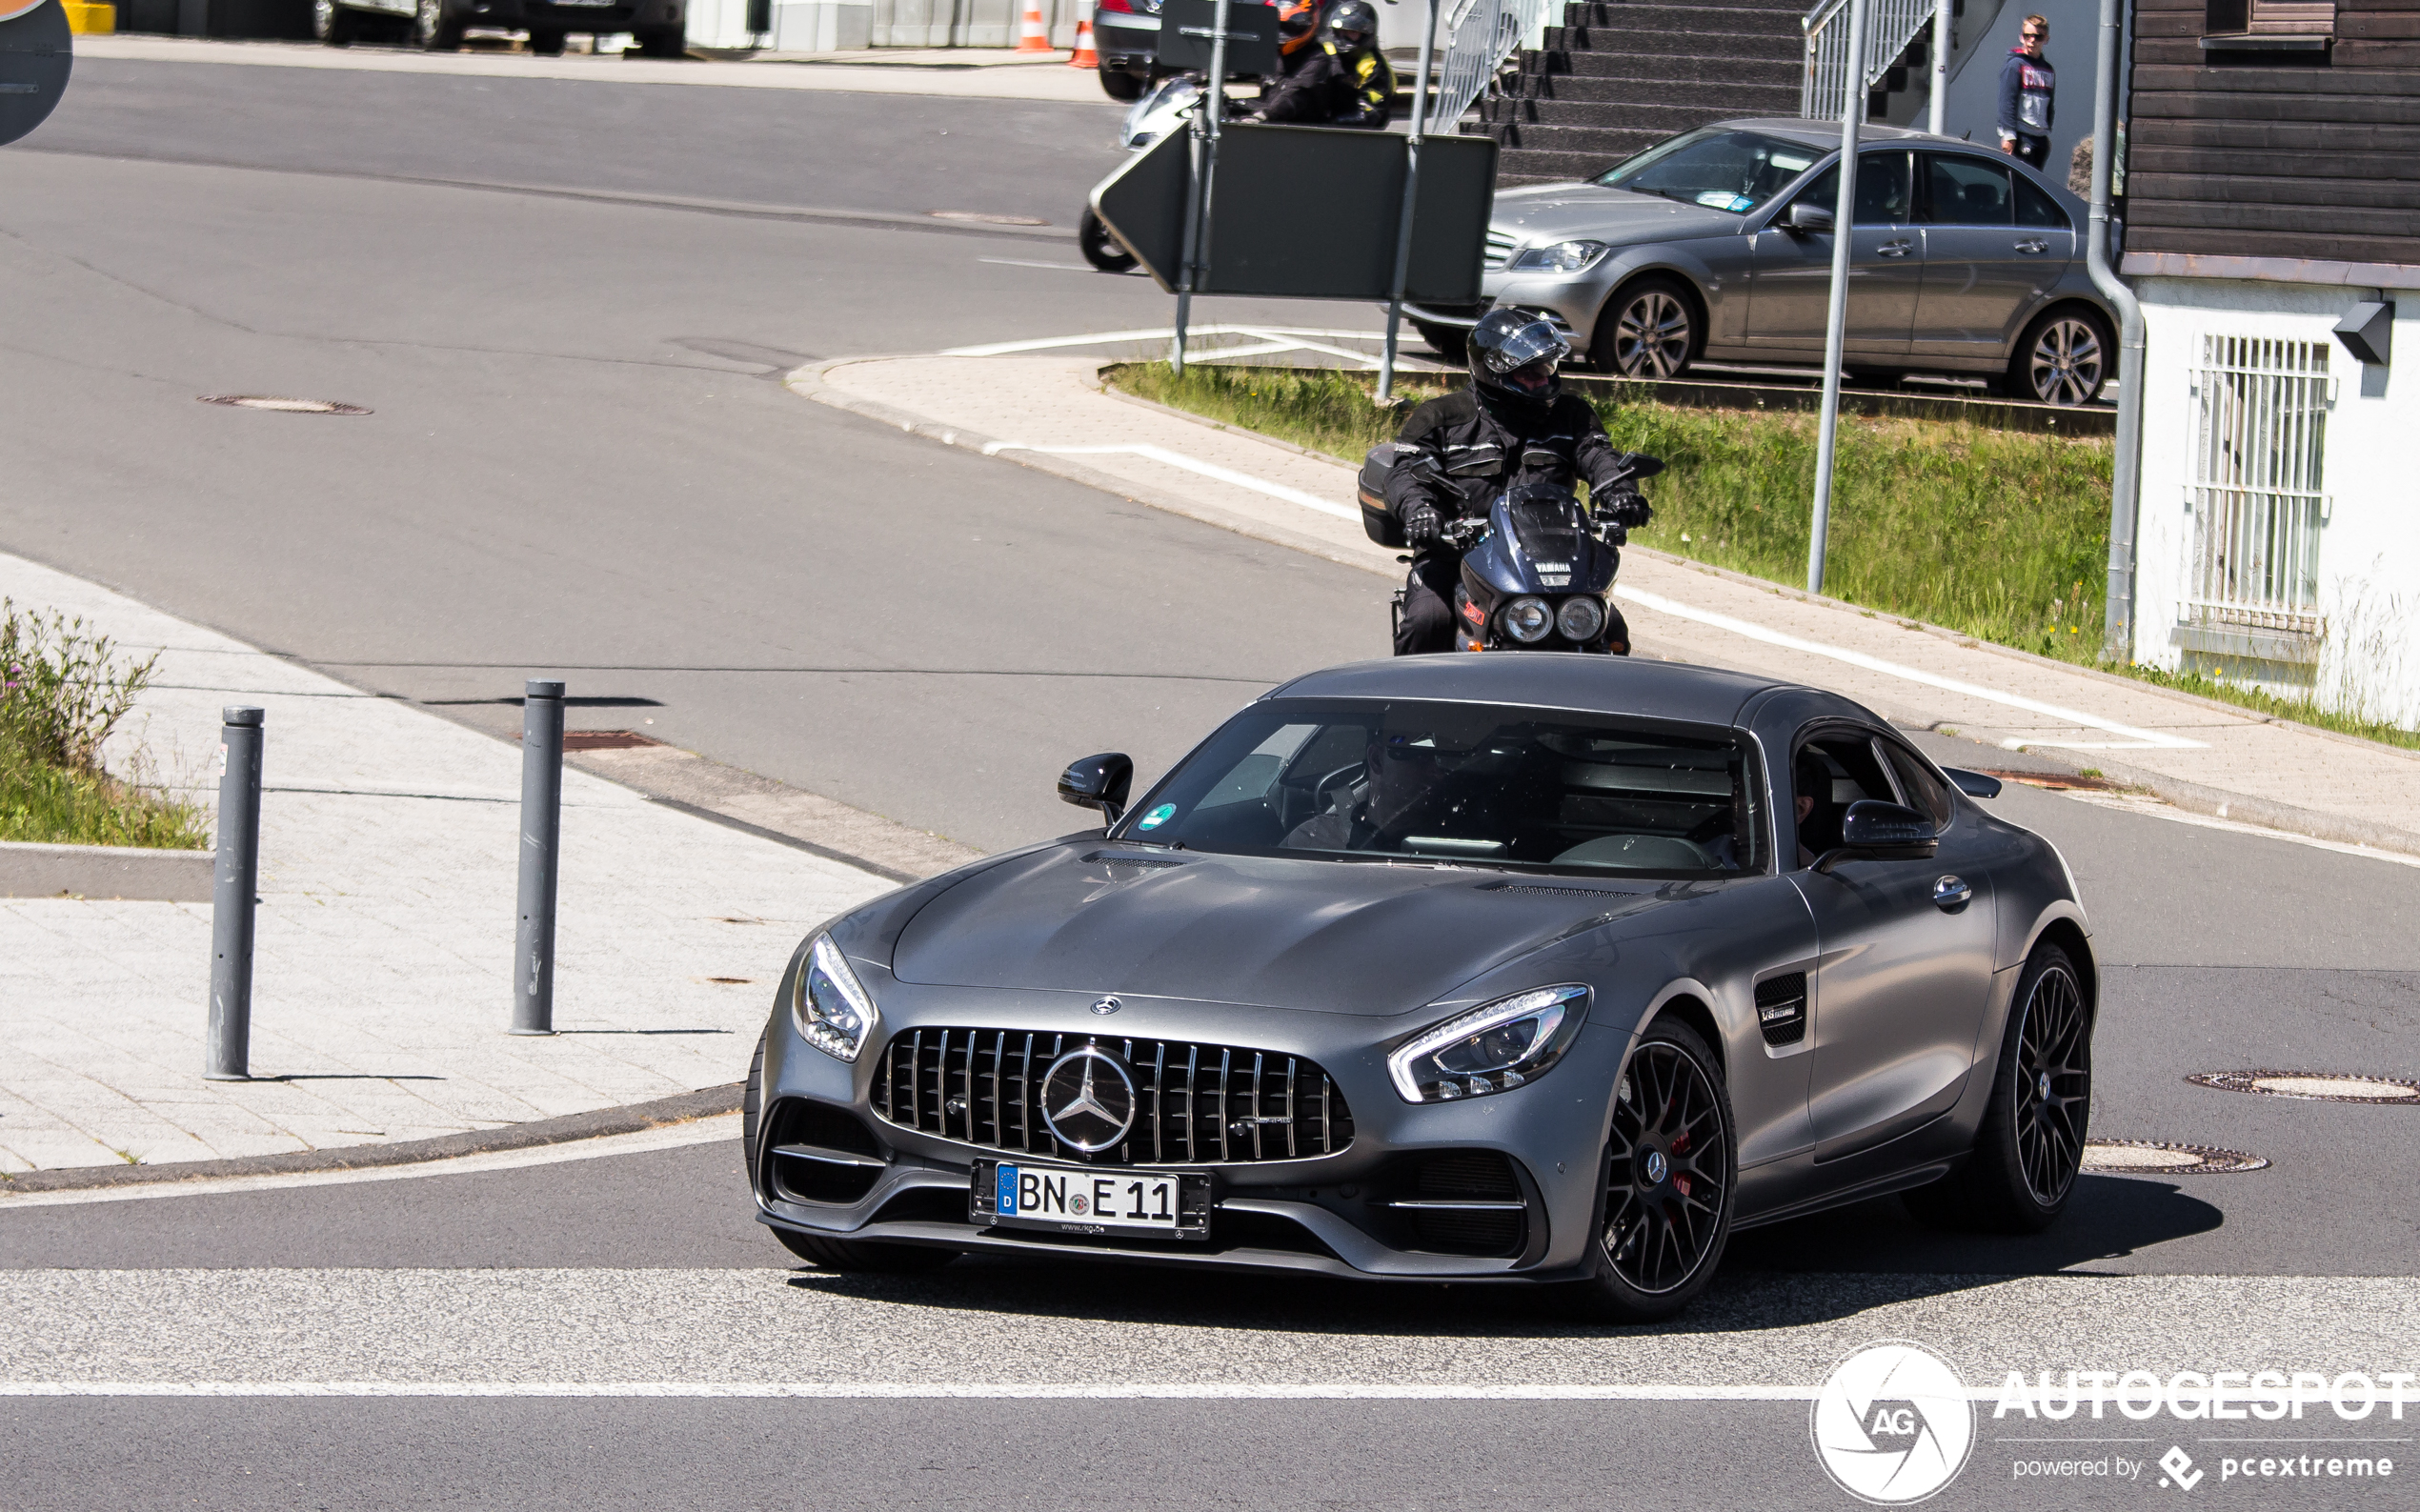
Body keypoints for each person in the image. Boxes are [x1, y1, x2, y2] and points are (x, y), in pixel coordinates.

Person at [1382, 308, 1656, 655]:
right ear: (1494, 371)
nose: (1542, 379)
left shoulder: (1571, 416)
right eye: (1529, 373)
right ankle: (1411, 705)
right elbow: (1405, 471)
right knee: (1428, 620)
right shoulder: (1441, 418)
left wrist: (1621, 494)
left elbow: (1599, 456)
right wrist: (1420, 512)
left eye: (1546, 370)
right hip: (1458, 555)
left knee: (1611, 632)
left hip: (1551, 561)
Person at [1281, 730, 1454, 850]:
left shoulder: (1466, 844)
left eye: (1446, 759)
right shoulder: (1314, 841)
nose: (1437, 770)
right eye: (1420, 755)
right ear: (1377, 759)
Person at [1251, 0, 1394, 129]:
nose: (1344, 37)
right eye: (1341, 31)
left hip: (1355, 134)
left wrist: (1327, 123)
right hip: (1322, 120)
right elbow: (1302, 83)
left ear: (1367, 34)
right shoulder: (1327, 51)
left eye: (1351, 33)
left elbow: (1369, 113)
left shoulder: (1375, 67)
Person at [1997, 15, 2055, 170]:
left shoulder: (2048, 69)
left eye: (2038, 37)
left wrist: (2046, 132)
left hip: (2040, 138)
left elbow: (2050, 104)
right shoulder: (2015, 65)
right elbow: (2007, 102)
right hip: (2021, 136)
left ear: (2046, 39)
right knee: (2019, 184)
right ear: (2021, 37)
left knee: (2035, 185)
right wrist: (2008, 135)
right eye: (2027, 36)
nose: (2032, 41)